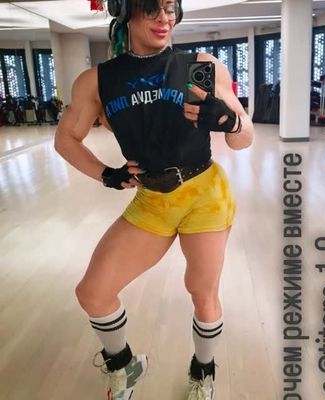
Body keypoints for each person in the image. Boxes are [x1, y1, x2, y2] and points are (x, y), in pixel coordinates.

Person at [54, 0, 254, 399]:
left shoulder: (198, 66)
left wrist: (230, 120)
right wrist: (107, 174)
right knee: (92, 292)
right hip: (152, 199)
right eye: (152, 9)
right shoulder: (99, 80)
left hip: (205, 195)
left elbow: (244, 138)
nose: (164, 19)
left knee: (202, 292)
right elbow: (66, 140)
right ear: (126, 11)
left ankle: (203, 372)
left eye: (170, 9)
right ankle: (125, 366)